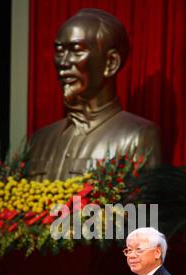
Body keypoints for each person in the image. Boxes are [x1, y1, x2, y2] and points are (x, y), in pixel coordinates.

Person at [29, 8, 161, 181]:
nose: (63, 62)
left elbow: (144, 207)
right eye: (59, 51)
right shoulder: (40, 140)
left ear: (111, 63)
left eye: (76, 50)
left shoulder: (138, 137)